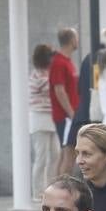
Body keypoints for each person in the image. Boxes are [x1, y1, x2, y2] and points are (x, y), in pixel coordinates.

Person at [29, 43, 61, 202]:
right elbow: (48, 86)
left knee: (55, 154)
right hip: (39, 117)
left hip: (51, 117)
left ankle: (50, 188)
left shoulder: (48, 73)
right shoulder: (36, 75)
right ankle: (37, 192)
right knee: (41, 156)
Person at [49, 28, 80, 176]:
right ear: (72, 40)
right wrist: (71, 113)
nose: (78, 40)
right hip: (66, 117)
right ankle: (61, 190)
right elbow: (59, 90)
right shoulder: (59, 63)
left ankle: (59, 188)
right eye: (76, 37)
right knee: (69, 153)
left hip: (70, 115)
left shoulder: (67, 61)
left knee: (67, 154)